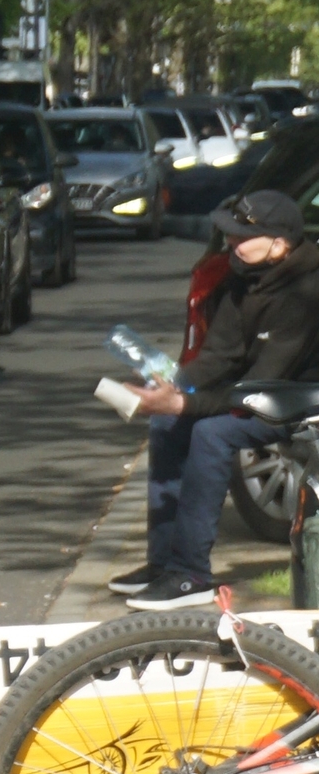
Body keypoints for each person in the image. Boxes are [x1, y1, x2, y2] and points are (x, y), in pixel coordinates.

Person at [116, 190, 319, 607]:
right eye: (228, 234)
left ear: (279, 243)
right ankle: (165, 564)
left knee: (211, 433)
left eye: (241, 236)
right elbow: (219, 355)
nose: (231, 243)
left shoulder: (307, 292)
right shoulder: (244, 276)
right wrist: (175, 387)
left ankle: (192, 574)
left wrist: (187, 404)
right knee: (166, 422)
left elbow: (264, 385)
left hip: (297, 399)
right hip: (263, 390)